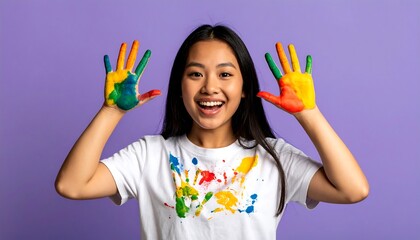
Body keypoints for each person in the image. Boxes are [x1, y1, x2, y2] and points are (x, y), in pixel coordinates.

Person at [55, 24, 369, 239]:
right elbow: (72, 185)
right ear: (179, 86)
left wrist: (309, 114)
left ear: (244, 87)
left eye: (225, 74)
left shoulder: (274, 158)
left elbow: (352, 190)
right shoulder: (149, 155)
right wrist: (111, 111)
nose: (210, 87)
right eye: (195, 74)